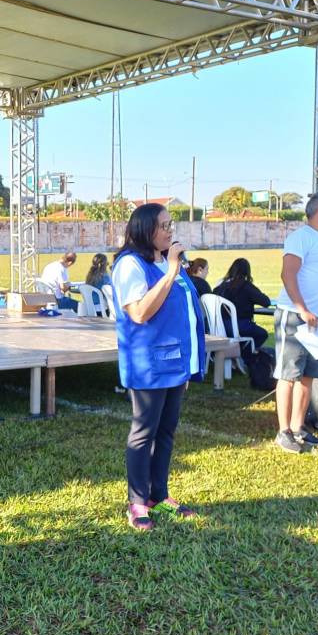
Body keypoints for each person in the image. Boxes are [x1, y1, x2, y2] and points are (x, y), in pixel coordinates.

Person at [111, 203, 206, 531]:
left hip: (174, 363)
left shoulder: (168, 262)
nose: (171, 231)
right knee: (144, 433)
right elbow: (139, 313)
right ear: (145, 230)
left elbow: (186, 315)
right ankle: (137, 503)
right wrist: (170, 273)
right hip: (148, 364)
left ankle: (158, 496)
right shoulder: (130, 265)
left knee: (166, 432)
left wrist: (189, 363)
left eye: (171, 224)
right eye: (164, 226)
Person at [273, 191, 318, 453]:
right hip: (295, 317)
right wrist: (301, 309)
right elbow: (287, 273)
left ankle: (299, 427)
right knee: (288, 374)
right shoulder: (300, 237)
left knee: (309, 376)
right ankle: (284, 432)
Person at [213, 257, 271, 356]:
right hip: (239, 325)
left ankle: (237, 356)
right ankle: (245, 356)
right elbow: (266, 302)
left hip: (218, 327)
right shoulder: (246, 286)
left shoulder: (220, 287)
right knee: (262, 334)